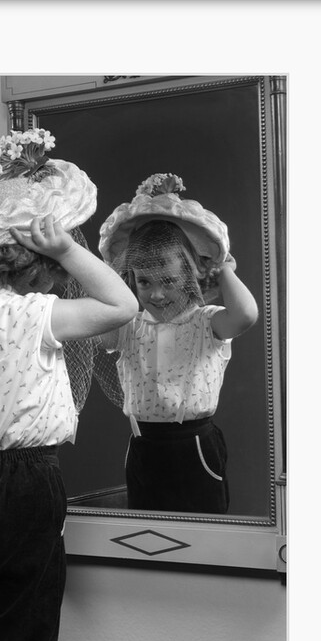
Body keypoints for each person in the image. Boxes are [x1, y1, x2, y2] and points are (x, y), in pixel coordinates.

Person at [0, 128, 138, 641]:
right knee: (23, 633)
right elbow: (122, 307)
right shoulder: (35, 313)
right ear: (37, 262)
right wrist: (66, 246)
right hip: (22, 485)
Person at [95, 173, 258, 515]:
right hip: (143, 443)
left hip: (195, 444)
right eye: (143, 282)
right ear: (129, 280)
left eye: (168, 281)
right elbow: (100, 324)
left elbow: (245, 316)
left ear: (192, 276)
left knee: (202, 524)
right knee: (147, 523)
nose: (156, 293)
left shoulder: (205, 321)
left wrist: (223, 269)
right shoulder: (128, 325)